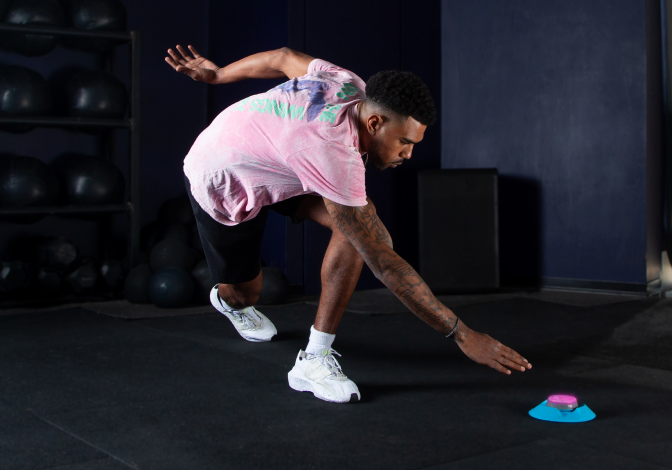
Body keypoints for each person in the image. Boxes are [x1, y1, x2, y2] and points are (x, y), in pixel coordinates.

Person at [166, 45, 531, 403]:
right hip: (221, 175)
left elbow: (282, 58)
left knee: (360, 228)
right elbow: (382, 262)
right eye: (404, 142)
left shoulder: (348, 84)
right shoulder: (332, 152)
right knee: (248, 293)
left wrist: (219, 74)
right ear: (374, 122)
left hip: (278, 158)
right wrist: (463, 334)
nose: (408, 154)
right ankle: (228, 301)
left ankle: (313, 361)